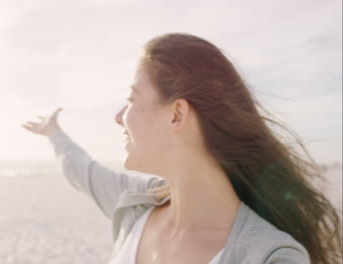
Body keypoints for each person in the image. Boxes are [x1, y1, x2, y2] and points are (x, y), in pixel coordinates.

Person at [22, 33, 341, 264]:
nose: (119, 117)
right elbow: (81, 170)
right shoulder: (137, 205)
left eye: (131, 100)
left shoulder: (271, 256)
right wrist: (54, 134)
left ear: (177, 114)